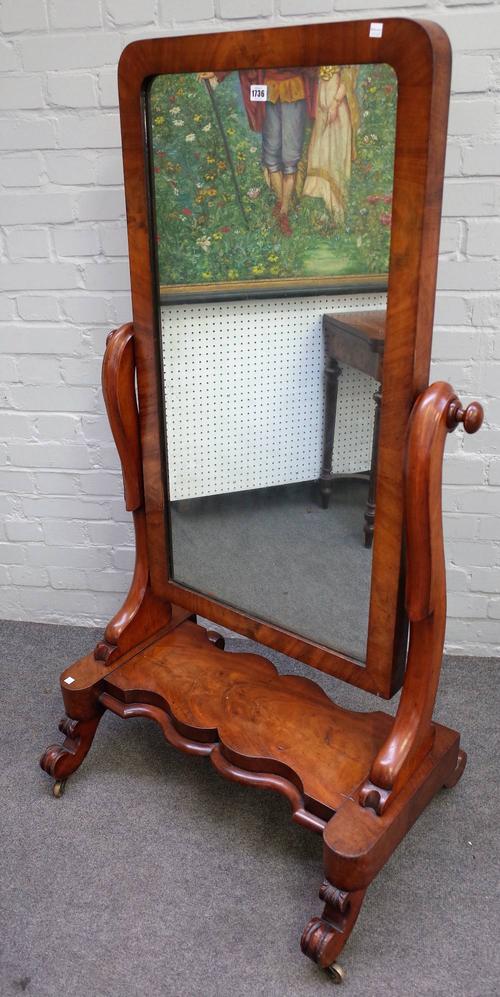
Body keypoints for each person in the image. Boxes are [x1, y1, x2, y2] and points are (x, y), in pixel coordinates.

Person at [199, 68, 318, 236]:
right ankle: (282, 207)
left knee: (290, 157)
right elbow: (244, 55)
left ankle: (284, 211)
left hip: (294, 90)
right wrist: (218, 74)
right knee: (271, 156)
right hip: (266, 89)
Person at [302, 65, 359, 225]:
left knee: (332, 163)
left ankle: (336, 215)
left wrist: (334, 104)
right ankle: (316, 217)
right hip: (322, 115)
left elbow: (348, 78)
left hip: (337, 115)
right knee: (317, 158)